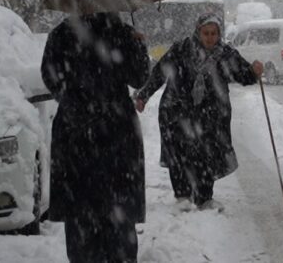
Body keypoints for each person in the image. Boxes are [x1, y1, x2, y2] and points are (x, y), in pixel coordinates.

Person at [41, 13, 149, 262]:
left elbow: (51, 78)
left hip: (75, 133)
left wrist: (75, 100)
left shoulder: (61, 33)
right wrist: (139, 46)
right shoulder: (123, 33)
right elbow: (139, 77)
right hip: (117, 131)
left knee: (81, 221)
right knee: (119, 219)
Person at [134, 13, 264, 211]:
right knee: (179, 155)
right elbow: (160, 71)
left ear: (219, 34)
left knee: (207, 154)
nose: (210, 37)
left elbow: (243, 75)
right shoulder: (181, 50)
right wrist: (143, 95)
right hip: (177, 110)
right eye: (206, 33)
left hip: (211, 115)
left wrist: (254, 71)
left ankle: (204, 198)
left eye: (213, 33)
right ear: (198, 32)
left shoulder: (225, 54)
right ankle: (183, 197)